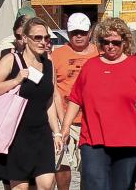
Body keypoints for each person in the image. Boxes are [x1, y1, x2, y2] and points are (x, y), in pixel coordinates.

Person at [60, 17, 136, 190]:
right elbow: (76, 98)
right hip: (93, 140)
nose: (110, 46)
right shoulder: (90, 66)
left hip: (129, 140)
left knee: (122, 186)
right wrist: (65, 127)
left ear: (124, 42)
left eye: (115, 42)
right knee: (94, 185)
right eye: (106, 42)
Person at [0, 17, 62, 190]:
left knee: (47, 184)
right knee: (20, 187)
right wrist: (16, 80)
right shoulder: (11, 60)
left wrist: (56, 132)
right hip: (17, 134)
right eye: (38, 37)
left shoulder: (49, 65)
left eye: (46, 38)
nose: (43, 42)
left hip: (41, 133)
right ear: (25, 38)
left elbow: (49, 101)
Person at [52, 13, 99, 190]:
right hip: (63, 117)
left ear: (90, 32)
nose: (78, 36)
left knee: (89, 168)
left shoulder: (100, 53)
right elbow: (52, 87)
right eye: (74, 32)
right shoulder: (57, 55)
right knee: (61, 164)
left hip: (91, 120)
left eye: (82, 32)